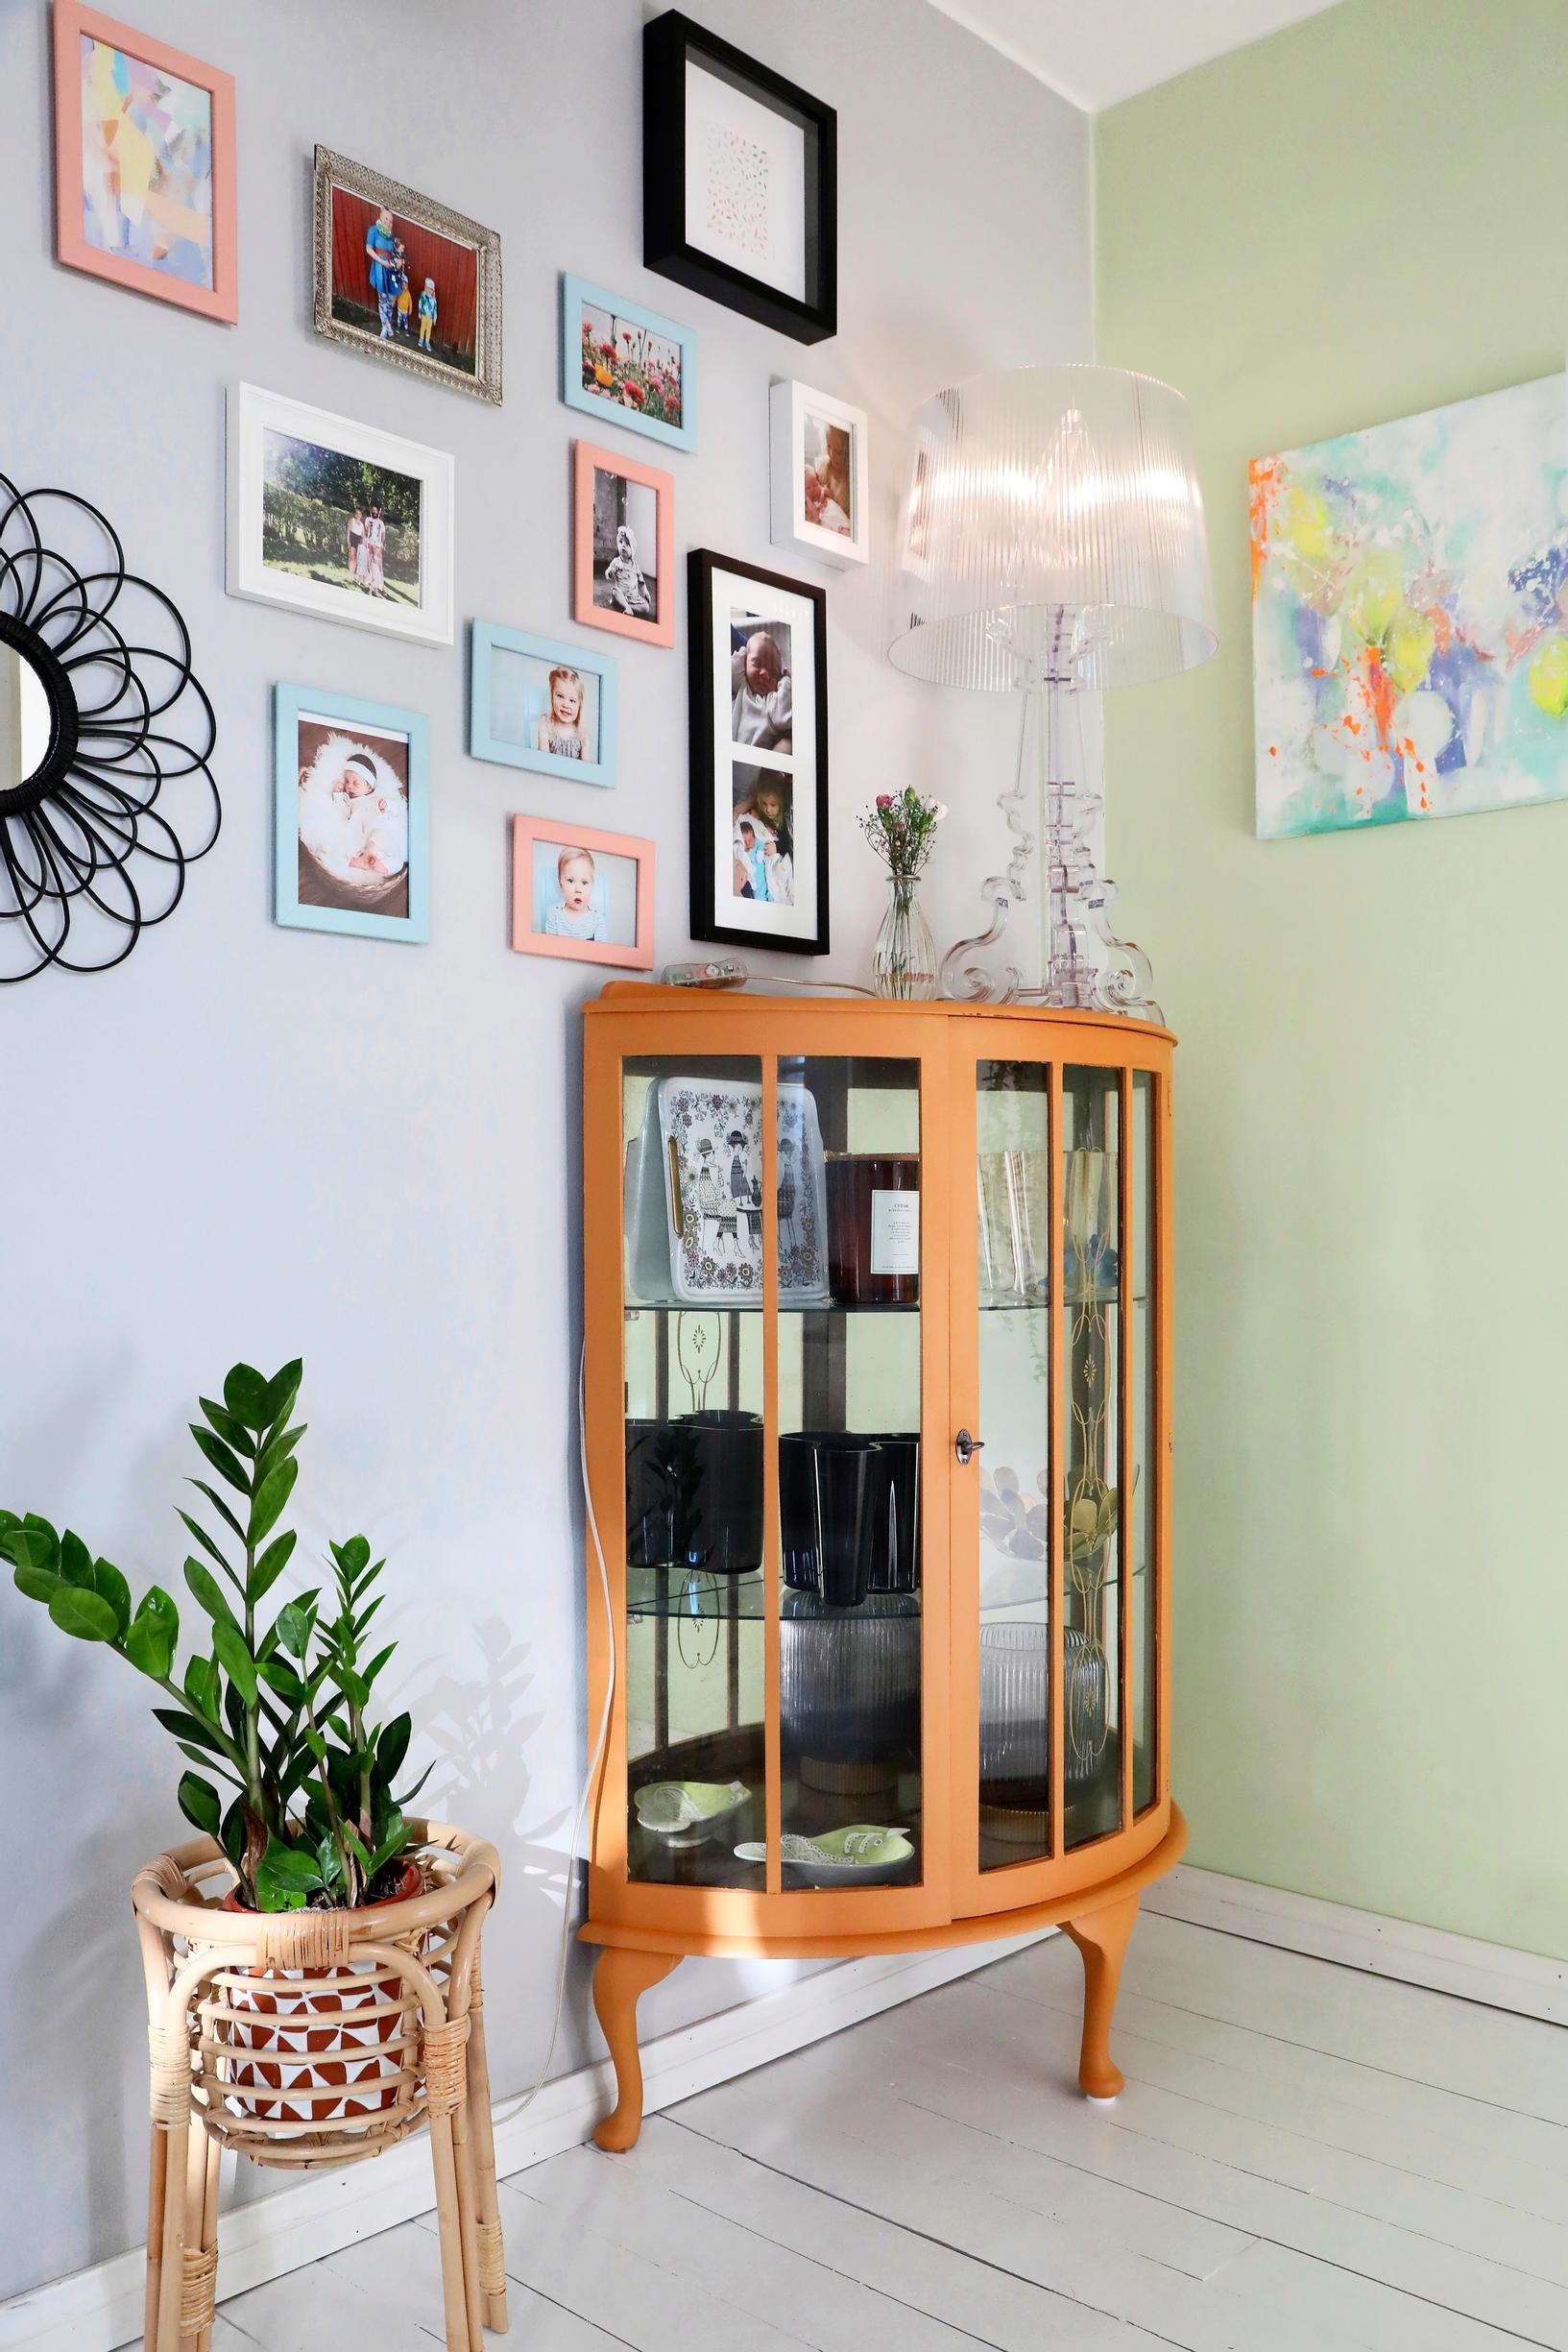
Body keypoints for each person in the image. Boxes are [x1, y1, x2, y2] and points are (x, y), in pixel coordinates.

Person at [732, 631, 792, 752]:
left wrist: (786, 681)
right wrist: (746, 651)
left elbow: (785, 717)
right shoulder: (742, 687)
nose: (764, 673)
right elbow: (731, 669)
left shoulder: (771, 702)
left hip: (752, 768)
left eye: (773, 671)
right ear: (745, 664)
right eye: (757, 664)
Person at [543, 847, 602, 939]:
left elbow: (602, 951)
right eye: (571, 881)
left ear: (592, 885)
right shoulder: (554, 914)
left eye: (584, 882)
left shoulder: (597, 918)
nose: (578, 889)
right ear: (560, 884)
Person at [536, 667, 589, 760]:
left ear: (579, 705)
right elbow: (543, 761)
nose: (566, 705)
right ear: (552, 697)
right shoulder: (546, 725)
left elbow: (588, 769)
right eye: (560, 696)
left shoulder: (582, 732)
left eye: (572, 700)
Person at [603, 522, 653, 618]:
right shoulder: (617, 562)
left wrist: (646, 593)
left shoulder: (636, 566)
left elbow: (641, 582)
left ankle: (627, 607)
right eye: (621, 542)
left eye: (627, 544)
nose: (623, 546)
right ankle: (625, 605)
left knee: (646, 608)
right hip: (621, 594)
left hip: (634, 597)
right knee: (614, 591)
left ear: (633, 549)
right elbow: (609, 571)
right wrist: (609, 573)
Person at [364, 206, 399, 339]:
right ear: (380, 216)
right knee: (382, 299)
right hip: (379, 268)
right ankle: (385, 327)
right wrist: (381, 261)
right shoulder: (373, 230)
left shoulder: (392, 237)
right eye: (386, 219)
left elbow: (394, 253)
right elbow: (369, 249)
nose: (389, 223)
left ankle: (387, 322)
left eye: (391, 221)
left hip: (390, 270)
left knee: (391, 299)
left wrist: (397, 261)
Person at [365, 503, 386, 597]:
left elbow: (383, 535)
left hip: (377, 546)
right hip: (369, 544)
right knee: (369, 566)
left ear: (378, 511)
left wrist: (380, 545)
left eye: (375, 510)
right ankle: (369, 585)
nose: (374, 512)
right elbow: (366, 531)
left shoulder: (381, 523)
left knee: (377, 567)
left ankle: (376, 589)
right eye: (372, 510)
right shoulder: (368, 520)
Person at [394, 242, 414, 338]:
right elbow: (396, 297)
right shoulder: (399, 291)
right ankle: (398, 328)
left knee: (405, 320)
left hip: (405, 310)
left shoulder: (408, 294)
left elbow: (410, 302)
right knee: (399, 319)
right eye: (403, 285)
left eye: (405, 285)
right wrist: (394, 303)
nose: (404, 287)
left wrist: (410, 309)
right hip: (399, 309)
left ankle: (406, 330)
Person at [347, 504, 367, 591]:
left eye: (360, 514)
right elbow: (348, 533)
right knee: (351, 558)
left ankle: (353, 574)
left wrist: (366, 540)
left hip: (358, 542)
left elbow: (363, 536)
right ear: (355, 514)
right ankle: (350, 575)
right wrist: (348, 542)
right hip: (352, 539)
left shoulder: (362, 525)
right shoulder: (352, 520)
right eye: (357, 513)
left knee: (355, 559)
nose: (358, 515)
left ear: (361, 515)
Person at [417, 277, 438, 352]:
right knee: (423, 328)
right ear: (425, 287)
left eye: (430, 289)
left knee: (428, 330)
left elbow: (435, 309)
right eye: (427, 288)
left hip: (430, 318)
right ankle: (421, 339)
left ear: (433, 290)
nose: (429, 290)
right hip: (424, 316)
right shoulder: (423, 295)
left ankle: (427, 341)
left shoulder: (434, 299)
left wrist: (435, 319)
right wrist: (419, 312)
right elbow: (420, 304)